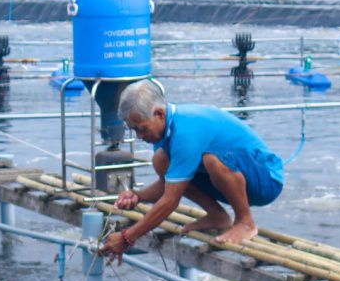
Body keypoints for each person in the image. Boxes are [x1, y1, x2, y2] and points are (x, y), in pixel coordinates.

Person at [99, 81, 283, 258]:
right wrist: (138, 196)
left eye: (142, 129)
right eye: (134, 131)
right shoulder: (165, 132)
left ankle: (245, 222)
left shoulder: (185, 131)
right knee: (161, 159)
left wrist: (127, 237)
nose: (140, 136)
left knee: (213, 160)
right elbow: (168, 185)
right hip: (237, 178)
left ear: (159, 114)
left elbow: (171, 200)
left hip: (266, 180)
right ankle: (218, 216)